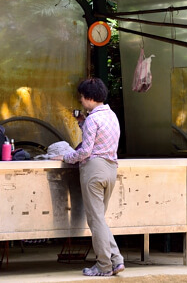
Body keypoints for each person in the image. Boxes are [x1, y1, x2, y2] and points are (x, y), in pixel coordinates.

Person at [53, 77, 125, 277]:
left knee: (95, 220)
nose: (81, 101)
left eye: (82, 98)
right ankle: (116, 260)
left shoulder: (93, 119)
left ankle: (104, 265)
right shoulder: (112, 116)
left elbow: (85, 152)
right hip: (111, 169)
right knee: (99, 219)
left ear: (90, 98)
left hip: (94, 170)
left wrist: (66, 157)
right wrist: (83, 124)